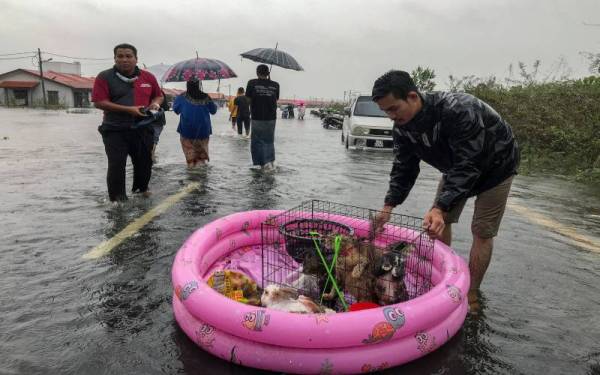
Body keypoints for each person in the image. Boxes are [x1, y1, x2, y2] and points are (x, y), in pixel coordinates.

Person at [371, 70, 520, 313]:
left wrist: (440, 207)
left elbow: (469, 163)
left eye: (394, 108)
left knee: (482, 230)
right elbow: (404, 168)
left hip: (497, 167)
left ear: (412, 96)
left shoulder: (458, 110)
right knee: (439, 222)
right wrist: (388, 207)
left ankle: (471, 292)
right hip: (456, 167)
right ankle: (445, 277)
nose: (390, 116)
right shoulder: (402, 128)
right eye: (385, 111)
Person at [92, 43, 163, 202]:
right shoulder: (104, 77)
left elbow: (158, 95)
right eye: (120, 56)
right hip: (114, 129)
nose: (124, 60)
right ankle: (118, 202)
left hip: (143, 128)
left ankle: (141, 191)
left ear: (136, 59)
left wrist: (156, 104)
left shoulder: (148, 77)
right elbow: (98, 102)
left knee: (144, 163)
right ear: (115, 58)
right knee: (117, 166)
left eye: (128, 56)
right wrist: (128, 109)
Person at [172, 78, 217, 168]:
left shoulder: (182, 97)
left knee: (191, 160)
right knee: (201, 160)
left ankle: (192, 178)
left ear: (187, 84)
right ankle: (202, 179)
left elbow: (176, 110)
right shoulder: (206, 97)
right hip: (203, 131)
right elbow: (213, 110)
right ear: (199, 84)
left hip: (186, 131)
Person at [245, 64, 280, 170]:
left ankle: (260, 164)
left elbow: (248, 100)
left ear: (257, 73)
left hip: (257, 117)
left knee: (257, 141)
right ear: (268, 73)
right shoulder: (276, 85)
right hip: (271, 118)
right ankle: (270, 162)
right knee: (269, 140)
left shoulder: (251, 83)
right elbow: (276, 99)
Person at [151, 89, 170, 163]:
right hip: (158, 121)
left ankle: (151, 158)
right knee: (154, 139)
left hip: (144, 119)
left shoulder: (141, 90)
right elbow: (166, 107)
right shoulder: (160, 92)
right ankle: (152, 157)